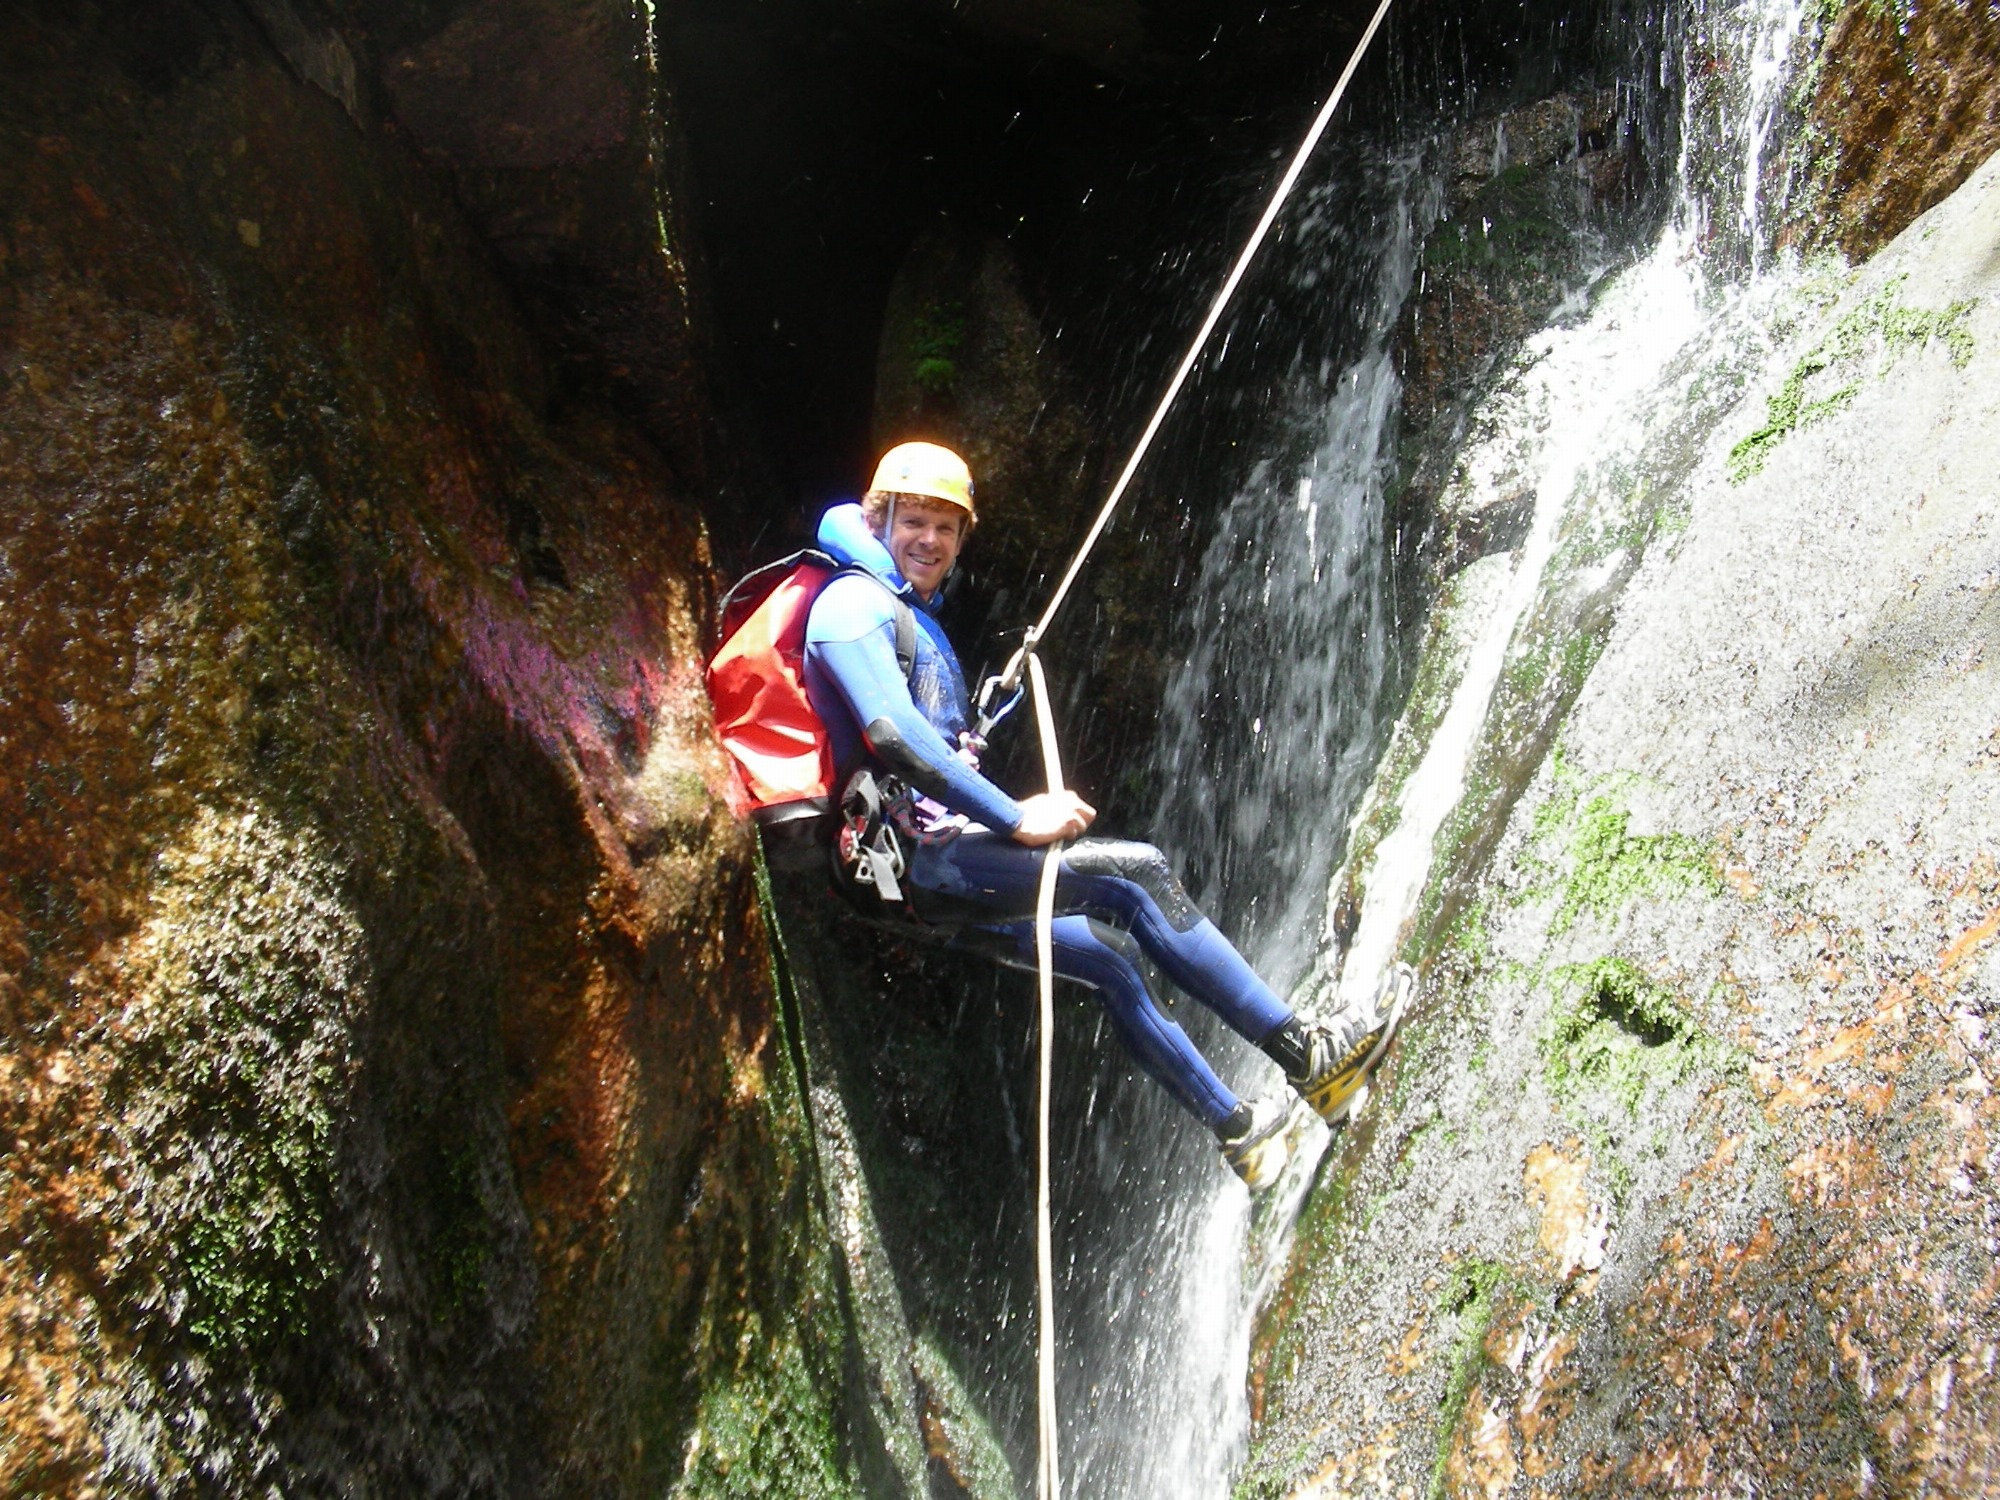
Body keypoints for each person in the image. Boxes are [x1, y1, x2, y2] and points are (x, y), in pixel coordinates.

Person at [802, 440, 1413, 1188]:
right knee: (1136, 876)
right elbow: (892, 736)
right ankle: (1310, 1055)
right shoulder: (848, 603)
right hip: (907, 859)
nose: (929, 540)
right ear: (880, 518)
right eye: (914, 522)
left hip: (914, 863)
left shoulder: (902, 612)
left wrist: (975, 731)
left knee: (1107, 959)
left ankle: (1243, 1136)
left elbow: (921, 743)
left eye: (946, 527)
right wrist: (1014, 816)